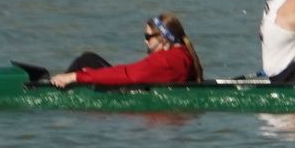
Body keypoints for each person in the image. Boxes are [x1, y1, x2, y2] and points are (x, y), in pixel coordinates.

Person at [49, 12, 203, 88]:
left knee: (84, 61)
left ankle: (54, 86)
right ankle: (58, 80)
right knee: (89, 58)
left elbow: (129, 75)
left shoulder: (166, 60)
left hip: (130, 89)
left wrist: (76, 77)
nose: (145, 41)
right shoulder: (183, 54)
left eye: (148, 36)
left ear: (163, 38)